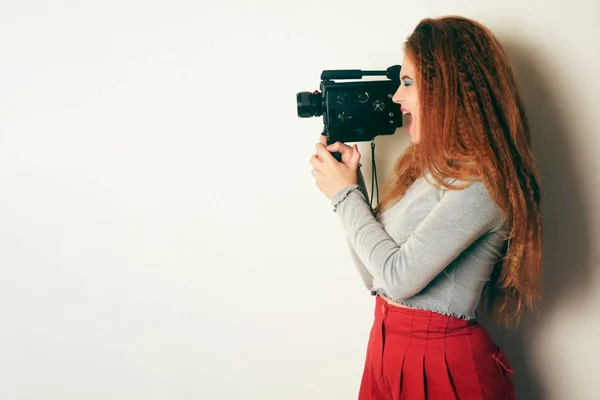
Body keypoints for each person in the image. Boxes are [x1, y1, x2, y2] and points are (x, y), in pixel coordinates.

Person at [309, 15, 543, 400]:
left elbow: (398, 278)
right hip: (385, 348)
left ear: (446, 88)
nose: (396, 98)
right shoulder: (425, 172)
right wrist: (351, 184)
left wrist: (344, 196)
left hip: (442, 364)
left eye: (407, 82)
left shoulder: (483, 182)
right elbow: (376, 279)